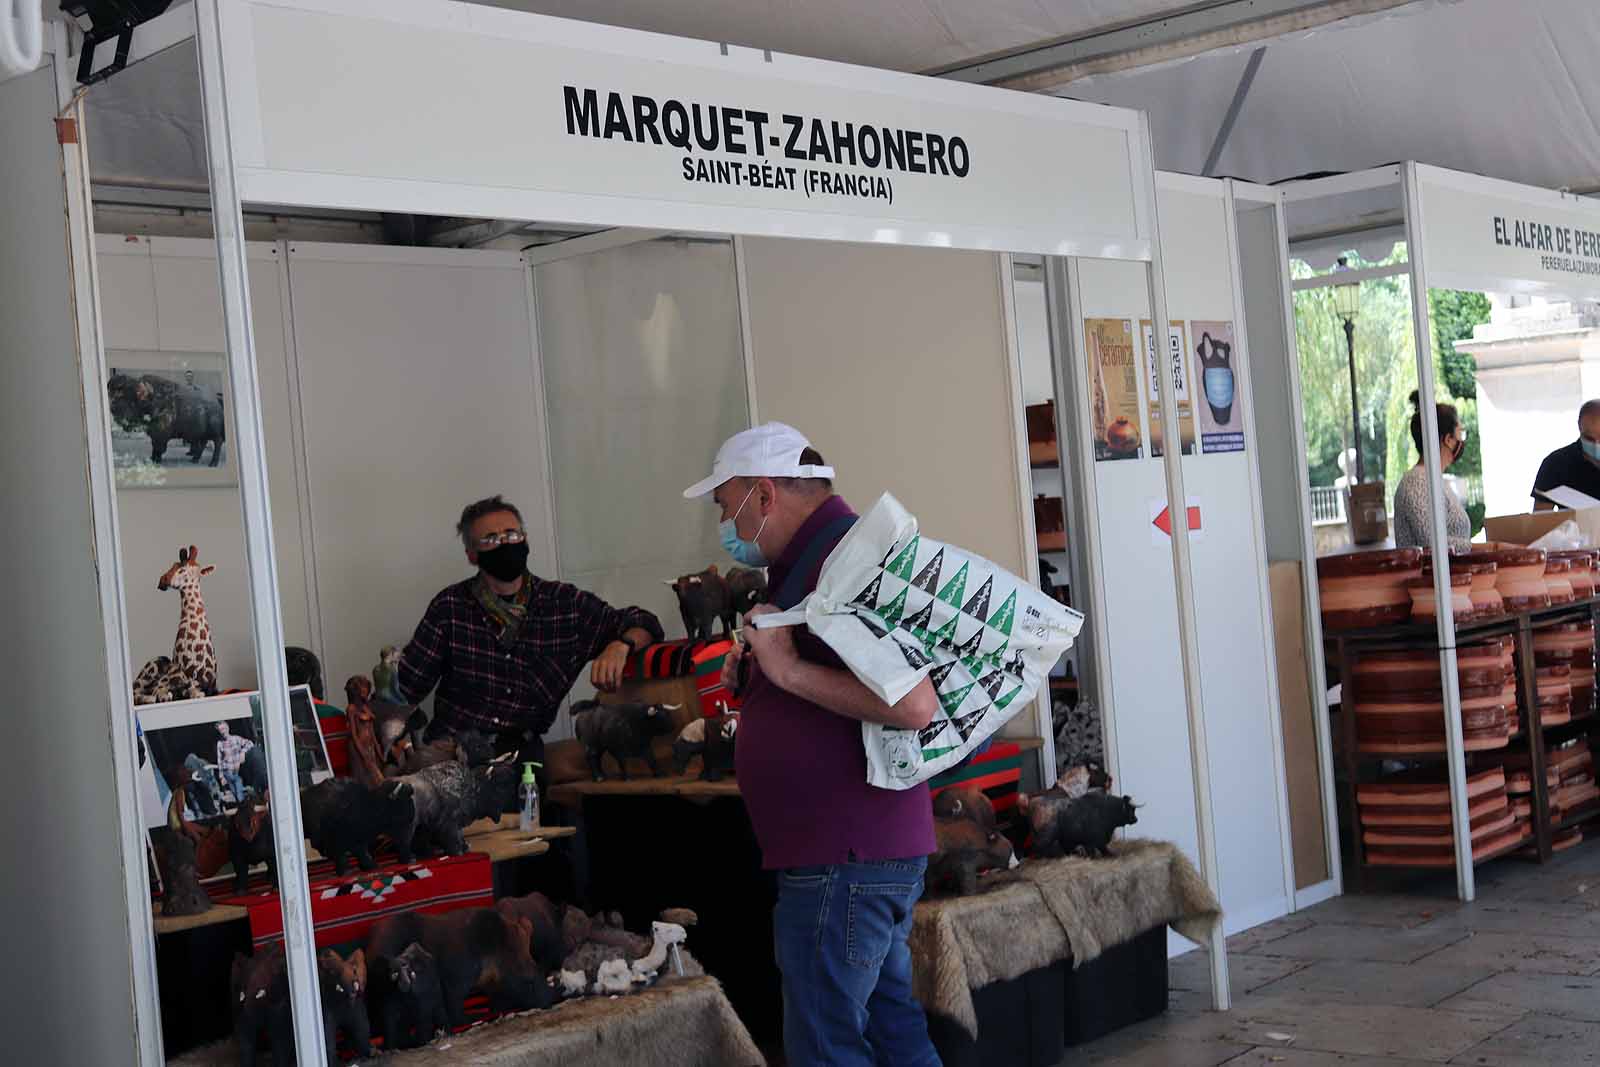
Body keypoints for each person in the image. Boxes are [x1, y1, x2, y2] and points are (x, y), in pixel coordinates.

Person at [684, 423, 942, 1067]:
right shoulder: (812, 561)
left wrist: (789, 673)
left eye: (726, 505)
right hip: (855, 847)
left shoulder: (843, 561)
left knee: (827, 1045)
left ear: (763, 494)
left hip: (843, 853)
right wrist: (763, 676)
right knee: (891, 1033)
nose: (726, 525)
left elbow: (913, 703)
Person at [396, 495, 663, 767]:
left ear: (525, 540)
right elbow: (404, 689)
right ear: (472, 555)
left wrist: (620, 645)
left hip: (518, 754)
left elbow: (644, 621)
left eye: (512, 534)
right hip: (451, 751)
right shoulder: (450, 607)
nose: (504, 543)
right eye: (490, 539)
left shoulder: (566, 605)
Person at [1393, 391, 1471, 552]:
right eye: (1460, 434)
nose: (1462, 440)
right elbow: (1430, 540)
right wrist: (1486, 548)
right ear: (1448, 440)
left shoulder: (1433, 479)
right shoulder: (1417, 482)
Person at [1532, 400, 1600, 509]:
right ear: (1579, 426)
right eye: (1589, 438)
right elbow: (1541, 517)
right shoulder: (1556, 464)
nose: (1596, 444)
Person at [214, 720, 254, 805]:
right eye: (220, 730)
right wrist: (221, 777)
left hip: (237, 772)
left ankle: (244, 807)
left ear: (228, 728)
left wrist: (242, 752)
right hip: (227, 773)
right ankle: (242, 807)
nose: (222, 732)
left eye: (223, 729)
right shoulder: (219, 744)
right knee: (235, 795)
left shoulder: (236, 738)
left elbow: (250, 743)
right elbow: (219, 760)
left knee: (239, 794)